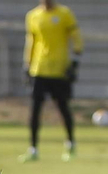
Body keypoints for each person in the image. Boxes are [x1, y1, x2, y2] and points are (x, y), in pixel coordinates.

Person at [20, 0, 83, 163]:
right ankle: (33, 148)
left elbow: (76, 37)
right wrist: (27, 65)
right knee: (35, 110)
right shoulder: (33, 16)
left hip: (59, 69)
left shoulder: (64, 14)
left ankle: (70, 144)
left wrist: (74, 62)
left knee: (63, 107)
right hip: (39, 69)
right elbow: (31, 41)